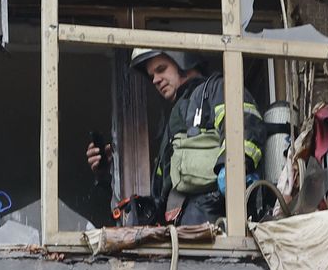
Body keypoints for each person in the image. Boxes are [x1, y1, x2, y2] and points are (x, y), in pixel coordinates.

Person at [86, 49, 266, 227]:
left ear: (184, 61)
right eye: (152, 76)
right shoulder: (174, 122)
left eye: (161, 69)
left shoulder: (215, 89)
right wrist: (105, 177)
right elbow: (161, 195)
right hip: (183, 233)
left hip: (214, 225)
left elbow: (244, 126)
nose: (155, 80)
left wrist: (232, 170)